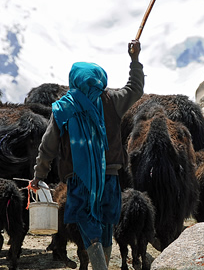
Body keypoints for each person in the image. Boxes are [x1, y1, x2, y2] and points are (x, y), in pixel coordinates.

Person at [30, 40, 144, 270]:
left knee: (86, 220)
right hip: (110, 175)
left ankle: (99, 266)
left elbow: (48, 146)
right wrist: (134, 60)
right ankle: (102, 265)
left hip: (78, 177)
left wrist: (38, 175)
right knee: (107, 221)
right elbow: (135, 88)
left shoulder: (63, 108)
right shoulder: (113, 101)